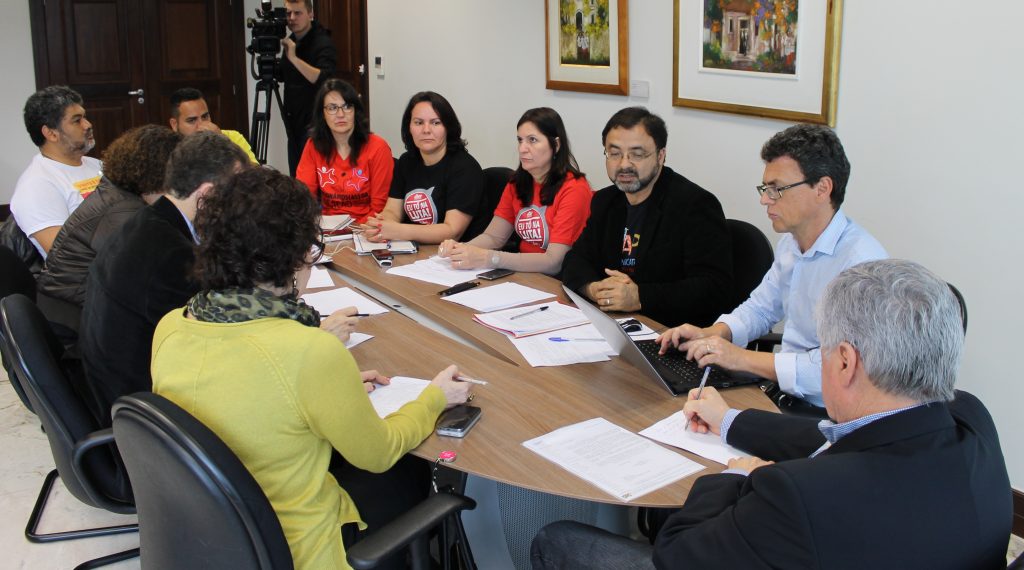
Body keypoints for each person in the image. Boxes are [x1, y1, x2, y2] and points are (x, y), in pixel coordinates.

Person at [531, 259, 1013, 570]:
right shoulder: (971, 421)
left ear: (844, 361)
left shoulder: (797, 497)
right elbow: (846, 440)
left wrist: (739, 477)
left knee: (557, 540)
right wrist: (731, 422)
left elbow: (676, 554)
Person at [150, 166, 471, 569]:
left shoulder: (171, 326)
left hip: (210, 537)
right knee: (408, 472)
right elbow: (378, 453)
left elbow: (238, 390)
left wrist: (331, 389)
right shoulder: (310, 350)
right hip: (296, 546)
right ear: (297, 253)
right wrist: (433, 397)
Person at [657, 123, 887, 411]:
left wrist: (740, 358)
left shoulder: (861, 266)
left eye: (777, 189)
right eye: (765, 188)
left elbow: (839, 369)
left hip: (830, 414)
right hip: (784, 394)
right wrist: (715, 332)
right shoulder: (791, 243)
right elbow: (762, 308)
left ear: (822, 188)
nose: (765, 199)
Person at [77, 132, 248, 429]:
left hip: (114, 395)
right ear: (206, 195)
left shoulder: (147, 223)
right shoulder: (171, 255)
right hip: (146, 421)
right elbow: (223, 345)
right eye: (235, 196)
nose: (239, 207)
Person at [561, 107, 733, 328]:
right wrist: (593, 288)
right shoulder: (605, 201)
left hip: (671, 333)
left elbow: (714, 288)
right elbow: (576, 260)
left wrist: (640, 296)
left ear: (660, 156)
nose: (624, 164)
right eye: (614, 154)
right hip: (613, 326)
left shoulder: (694, 205)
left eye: (637, 154)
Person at [35, 125, 182, 335]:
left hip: (67, 310)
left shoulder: (115, 190)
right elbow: (147, 282)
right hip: (74, 327)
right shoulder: (125, 214)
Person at [438, 107, 591, 275]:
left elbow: (554, 262)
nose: (522, 148)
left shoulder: (575, 189)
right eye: (520, 140)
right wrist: (460, 249)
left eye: (532, 140)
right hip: (525, 275)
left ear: (556, 144)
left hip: (559, 280)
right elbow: (493, 237)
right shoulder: (516, 183)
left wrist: (490, 258)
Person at [362, 91, 486, 245]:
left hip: (450, 258)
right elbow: (392, 210)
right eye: (418, 122)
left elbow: (452, 231)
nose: (426, 130)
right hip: (410, 250)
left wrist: (396, 230)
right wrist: (381, 226)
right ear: (409, 127)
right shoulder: (406, 161)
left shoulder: (465, 168)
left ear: (448, 127)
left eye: (435, 122)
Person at [11, 85, 102, 258]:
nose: (88, 125)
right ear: (51, 134)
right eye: (77, 120)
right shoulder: (36, 186)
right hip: (91, 278)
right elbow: (66, 256)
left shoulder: (97, 166)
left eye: (85, 117)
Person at [295, 78, 394, 223]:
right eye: (332, 108)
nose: (341, 114)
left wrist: (351, 231)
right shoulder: (313, 146)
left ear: (355, 111)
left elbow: (380, 207)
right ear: (322, 114)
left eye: (347, 106)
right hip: (327, 228)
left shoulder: (378, 147)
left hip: (366, 229)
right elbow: (304, 197)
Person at [281, 0, 337, 175]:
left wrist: (294, 58)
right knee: (296, 175)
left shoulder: (323, 42)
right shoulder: (290, 41)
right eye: (288, 13)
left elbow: (324, 78)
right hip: (293, 122)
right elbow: (285, 75)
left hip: (315, 123)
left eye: (297, 13)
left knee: (314, 177)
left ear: (310, 14)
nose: (292, 18)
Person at [168, 87, 257, 163]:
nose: (201, 126)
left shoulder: (232, 137)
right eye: (192, 120)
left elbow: (256, 174)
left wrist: (222, 143)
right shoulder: (167, 149)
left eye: (205, 116)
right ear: (174, 124)